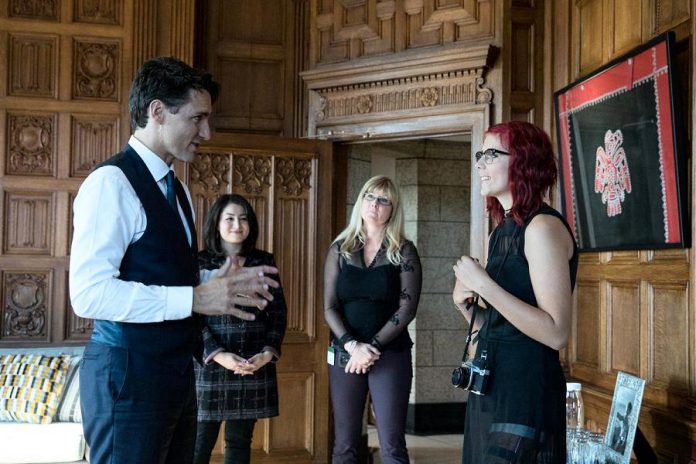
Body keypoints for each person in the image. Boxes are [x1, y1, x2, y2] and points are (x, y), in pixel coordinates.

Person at [69, 57, 280, 464]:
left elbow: (158, 268)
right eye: (197, 118)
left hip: (177, 377)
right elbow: (88, 294)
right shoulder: (109, 183)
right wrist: (194, 298)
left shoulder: (177, 188)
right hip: (126, 377)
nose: (207, 132)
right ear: (158, 112)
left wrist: (214, 280)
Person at [452, 121, 578, 463]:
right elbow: (500, 327)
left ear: (524, 161)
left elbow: (556, 332)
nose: (479, 164)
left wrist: (484, 286)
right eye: (480, 154)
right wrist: (467, 305)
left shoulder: (542, 228)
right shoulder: (501, 232)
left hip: (526, 388)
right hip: (493, 383)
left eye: (491, 154)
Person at [324, 175, 422, 464]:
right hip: (345, 353)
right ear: (361, 201)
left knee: (392, 445)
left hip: (390, 353)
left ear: (393, 209)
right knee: (344, 444)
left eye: (383, 200)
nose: (374, 204)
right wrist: (353, 346)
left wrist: (372, 347)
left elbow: (407, 309)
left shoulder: (404, 250)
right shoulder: (340, 249)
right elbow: (329, 307)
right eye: (369, 196)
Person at [193, 194, 287, 464]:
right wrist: (219, 354)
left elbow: (278, 313)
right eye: (230, 218)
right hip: (210, 365)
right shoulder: (199, 263)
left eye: (243, 218)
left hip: (252, 365)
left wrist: (266, 354)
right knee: (199, 444)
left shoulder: (263, 261)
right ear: (217, 223)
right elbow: (192, 317)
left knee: (239, 444)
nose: (237, 225)